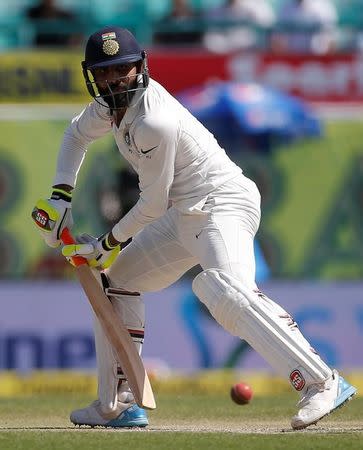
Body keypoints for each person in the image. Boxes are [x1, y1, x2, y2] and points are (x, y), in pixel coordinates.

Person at [31, 26, 356, 429]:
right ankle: (118, 402)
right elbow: (75, 136)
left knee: (224, 290)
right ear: (93, 76)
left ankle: (321, 381)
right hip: (183, 213)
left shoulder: (154, 120)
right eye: (105, 73)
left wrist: (105, 243)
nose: (115, 80)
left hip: (222, 203)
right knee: (117, 280)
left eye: (123, 70)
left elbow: (150, 204)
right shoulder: (107, 107)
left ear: (140, 67)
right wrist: (60, 195)